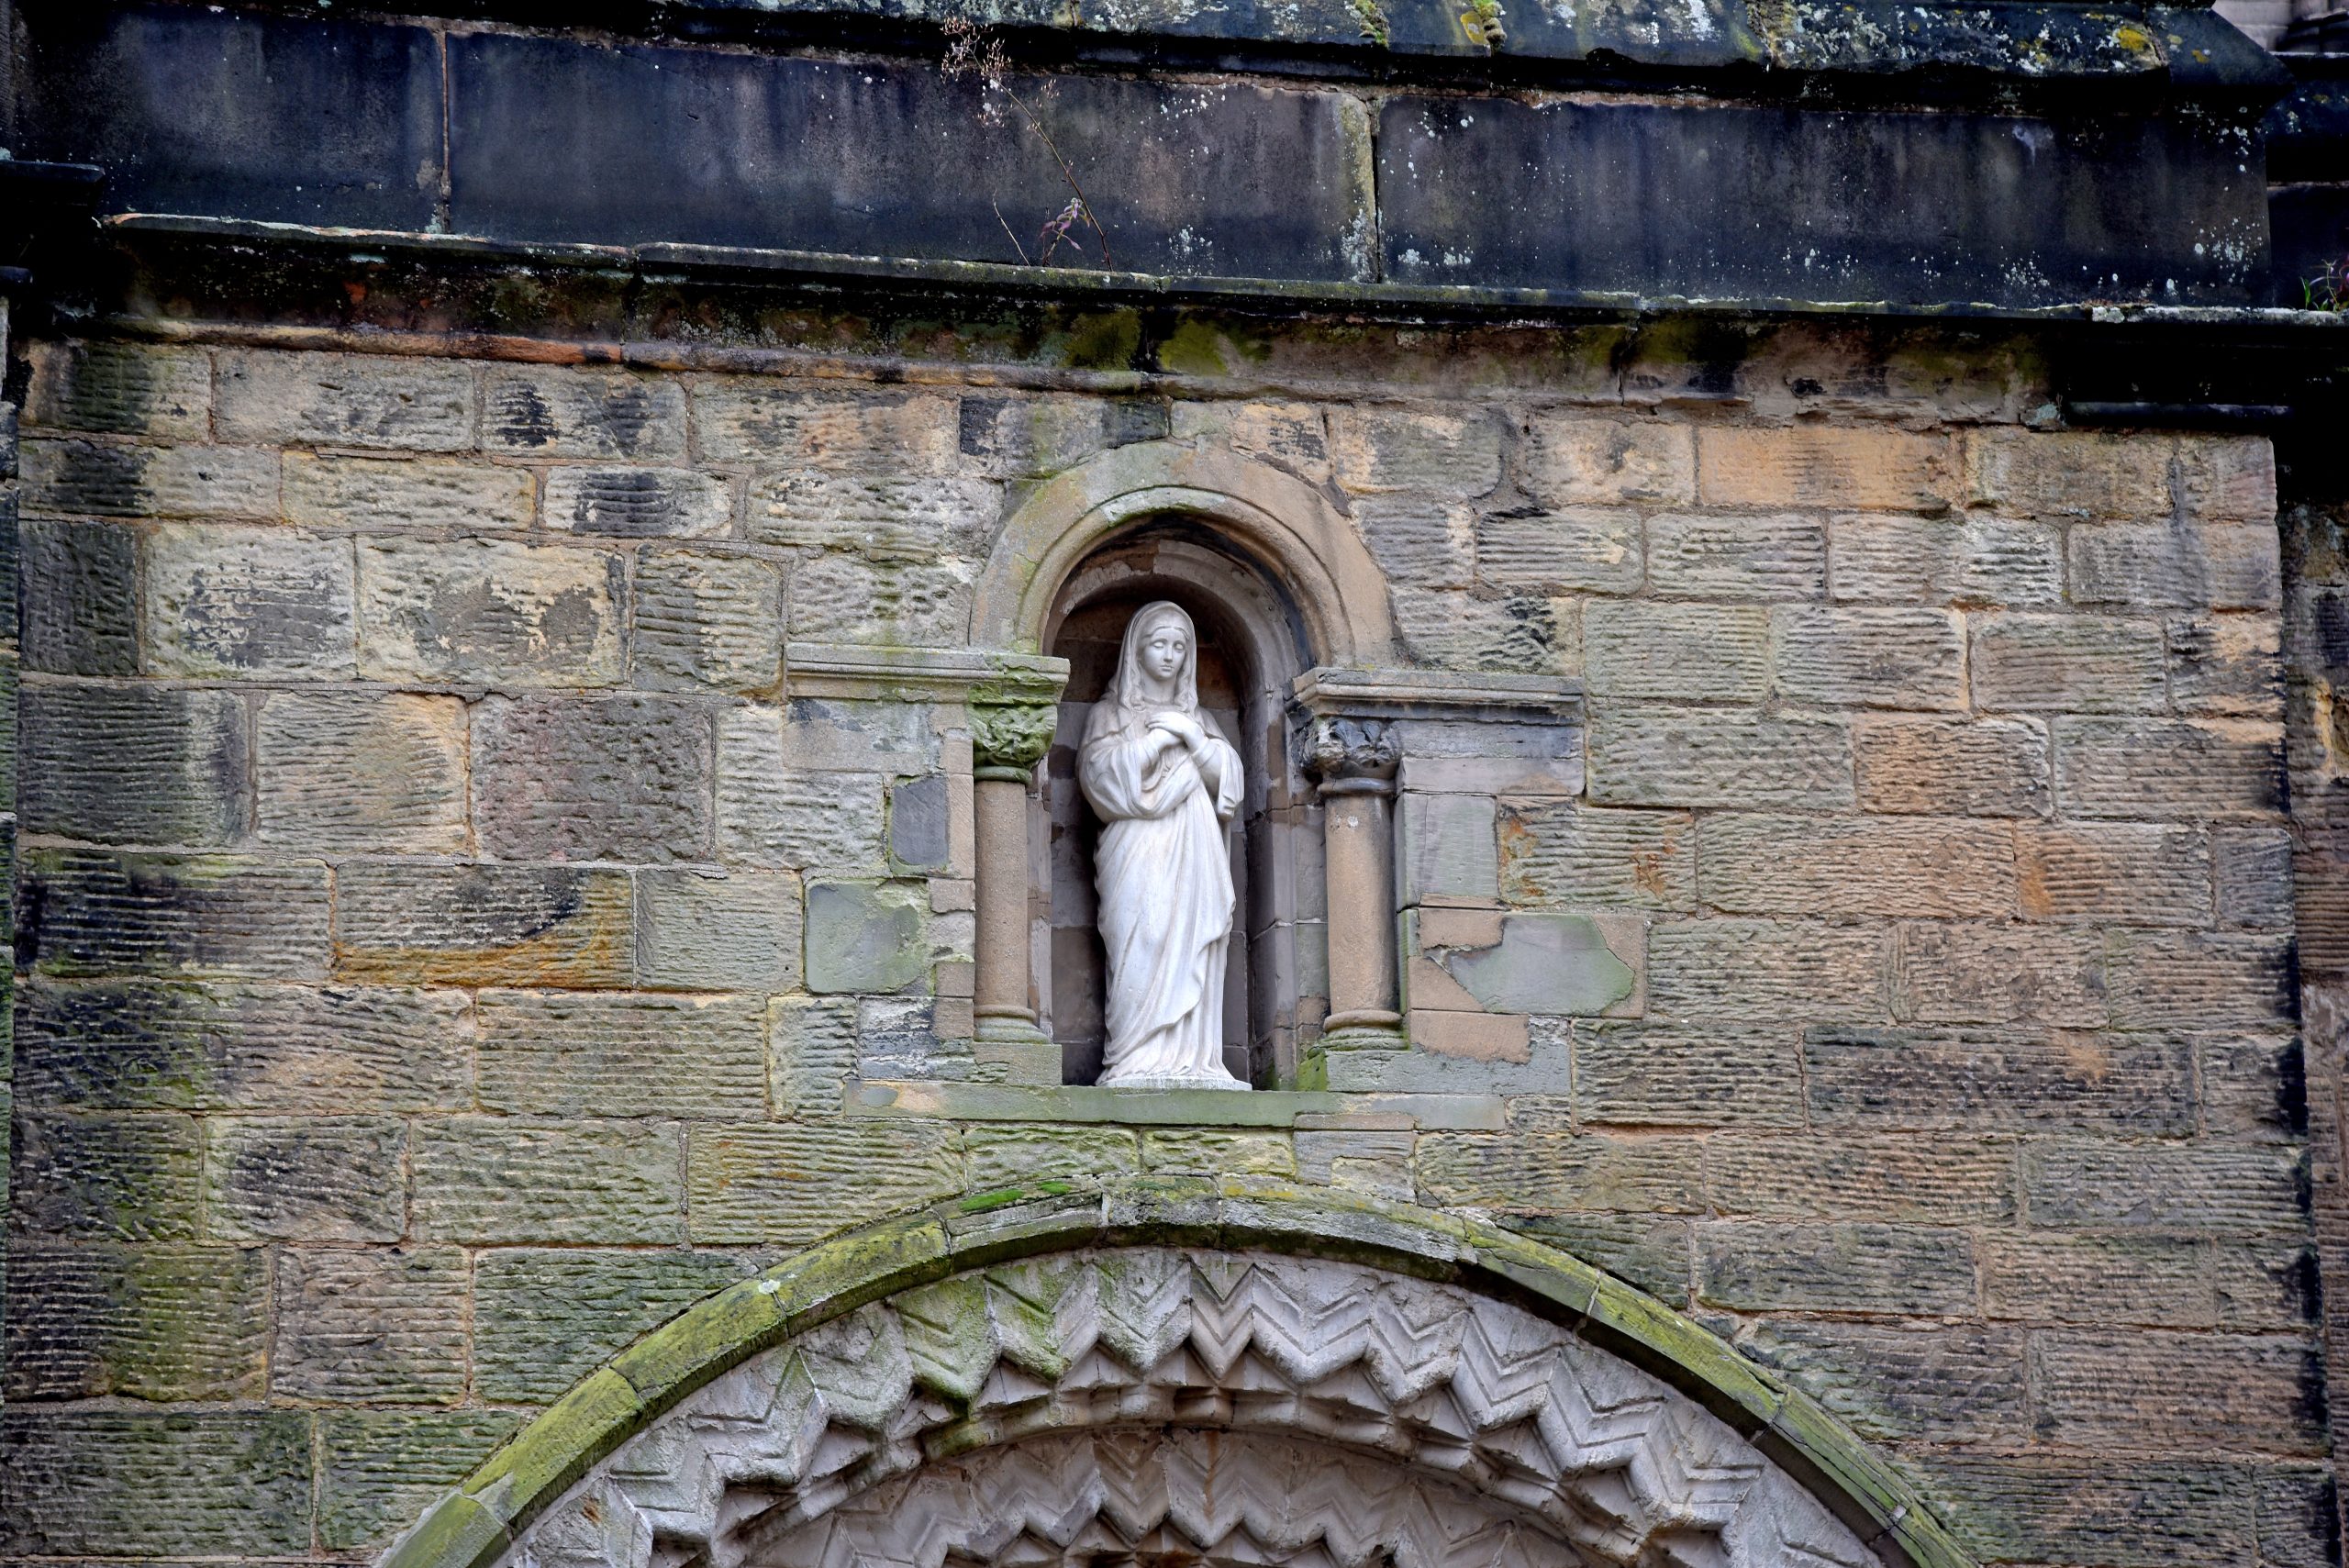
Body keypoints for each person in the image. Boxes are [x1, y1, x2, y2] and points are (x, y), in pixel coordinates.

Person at [1077, 600, 1249, 1089]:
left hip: (1193, 851)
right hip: (1136, 849)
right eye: (1159, 643)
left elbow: (1228, 783)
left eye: (1180, 645)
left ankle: (1193, 1062)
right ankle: (1133, 1059)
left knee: (1190, 939)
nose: (1170, 655)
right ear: (1137, 650)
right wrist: (1152, 744)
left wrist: (1193, 738)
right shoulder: (1109, 715)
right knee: (1144, 937)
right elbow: (1099, 780)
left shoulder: (1201, 721)